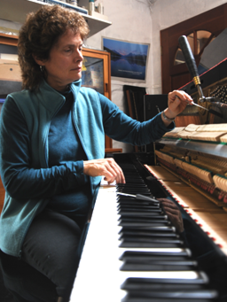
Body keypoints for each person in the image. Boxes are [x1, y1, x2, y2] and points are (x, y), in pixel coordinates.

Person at [0, 4, 193, 301]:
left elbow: (137, 133)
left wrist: (169, 113)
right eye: (68, 50)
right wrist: (83, 168)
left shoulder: (91, 99)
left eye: (80, 46)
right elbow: (17, 182)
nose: (80, 57)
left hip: (92, 208)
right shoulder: (18, 106)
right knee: (78, 274)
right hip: (39, 215)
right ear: (40, 58)